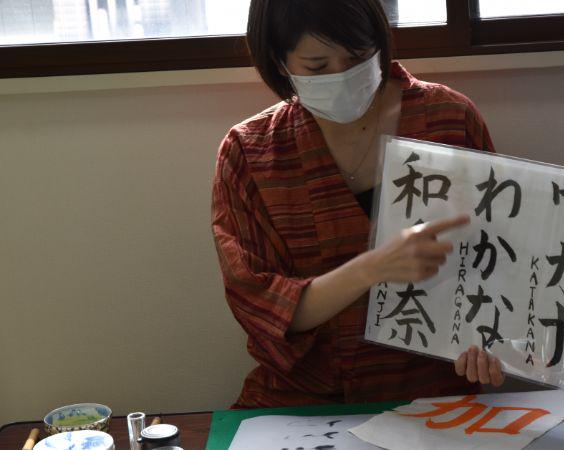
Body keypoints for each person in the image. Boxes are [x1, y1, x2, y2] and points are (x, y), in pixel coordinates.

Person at [211, 0, 504, 408]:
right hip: (302, 403)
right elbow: (257, 300)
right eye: (317, 67)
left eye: (357, 58)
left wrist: (491, 339)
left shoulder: (448, 120)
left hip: (432, 394)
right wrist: (374, 267)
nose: (342, 76)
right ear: (279, 61)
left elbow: (501, 257)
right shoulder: (250, 153)